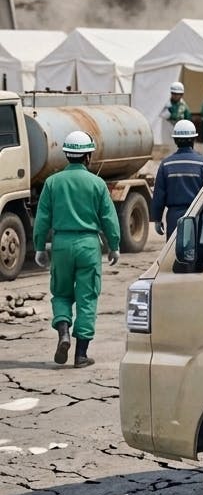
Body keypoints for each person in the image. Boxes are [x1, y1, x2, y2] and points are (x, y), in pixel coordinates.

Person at [32, 131, 120, 368]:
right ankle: (81, 355)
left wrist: (39, 247)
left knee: (61, 293)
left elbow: (42, 219)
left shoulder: (52, 183)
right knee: (87, 298)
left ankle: (63, 333)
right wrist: (114, 246)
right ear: (88, 156)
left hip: (61, 244)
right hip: (88, 245)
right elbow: (109, 218)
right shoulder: (97, 184)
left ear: (67, 155)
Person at [151, 119, 203, 237]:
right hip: (197, 215)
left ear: (175, 140)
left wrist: (157, 219)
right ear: (194, 139)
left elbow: (159, 196)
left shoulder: (166, 164)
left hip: (174, 218)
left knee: (174, 248)